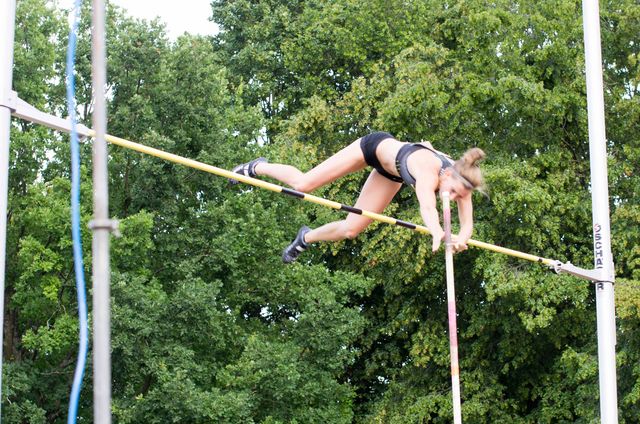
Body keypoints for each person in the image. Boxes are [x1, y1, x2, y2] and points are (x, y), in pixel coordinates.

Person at [230, 131, 485, 263]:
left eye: (458, 196)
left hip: (391, 173)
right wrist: (437, 232)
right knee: (303, 184)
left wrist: (461, 240)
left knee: (351, 230)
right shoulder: (428, 171)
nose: (453, 198)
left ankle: (305, 238)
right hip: (372, 148)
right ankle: (257, 167)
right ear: (447, 174)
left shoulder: (463, 181)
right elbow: (428, 208)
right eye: (453, 192)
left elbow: (467, 226)